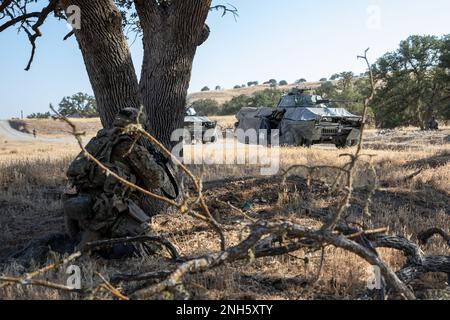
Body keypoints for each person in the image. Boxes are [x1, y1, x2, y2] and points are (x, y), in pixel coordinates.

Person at [63, 108, 166, 247]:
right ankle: (98, 247)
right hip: (111, 214)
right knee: (154, 246)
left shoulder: (97, 142)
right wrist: (158, 165)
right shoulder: (128, 146)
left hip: (84, 209)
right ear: (137, 129)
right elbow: (156, 180)